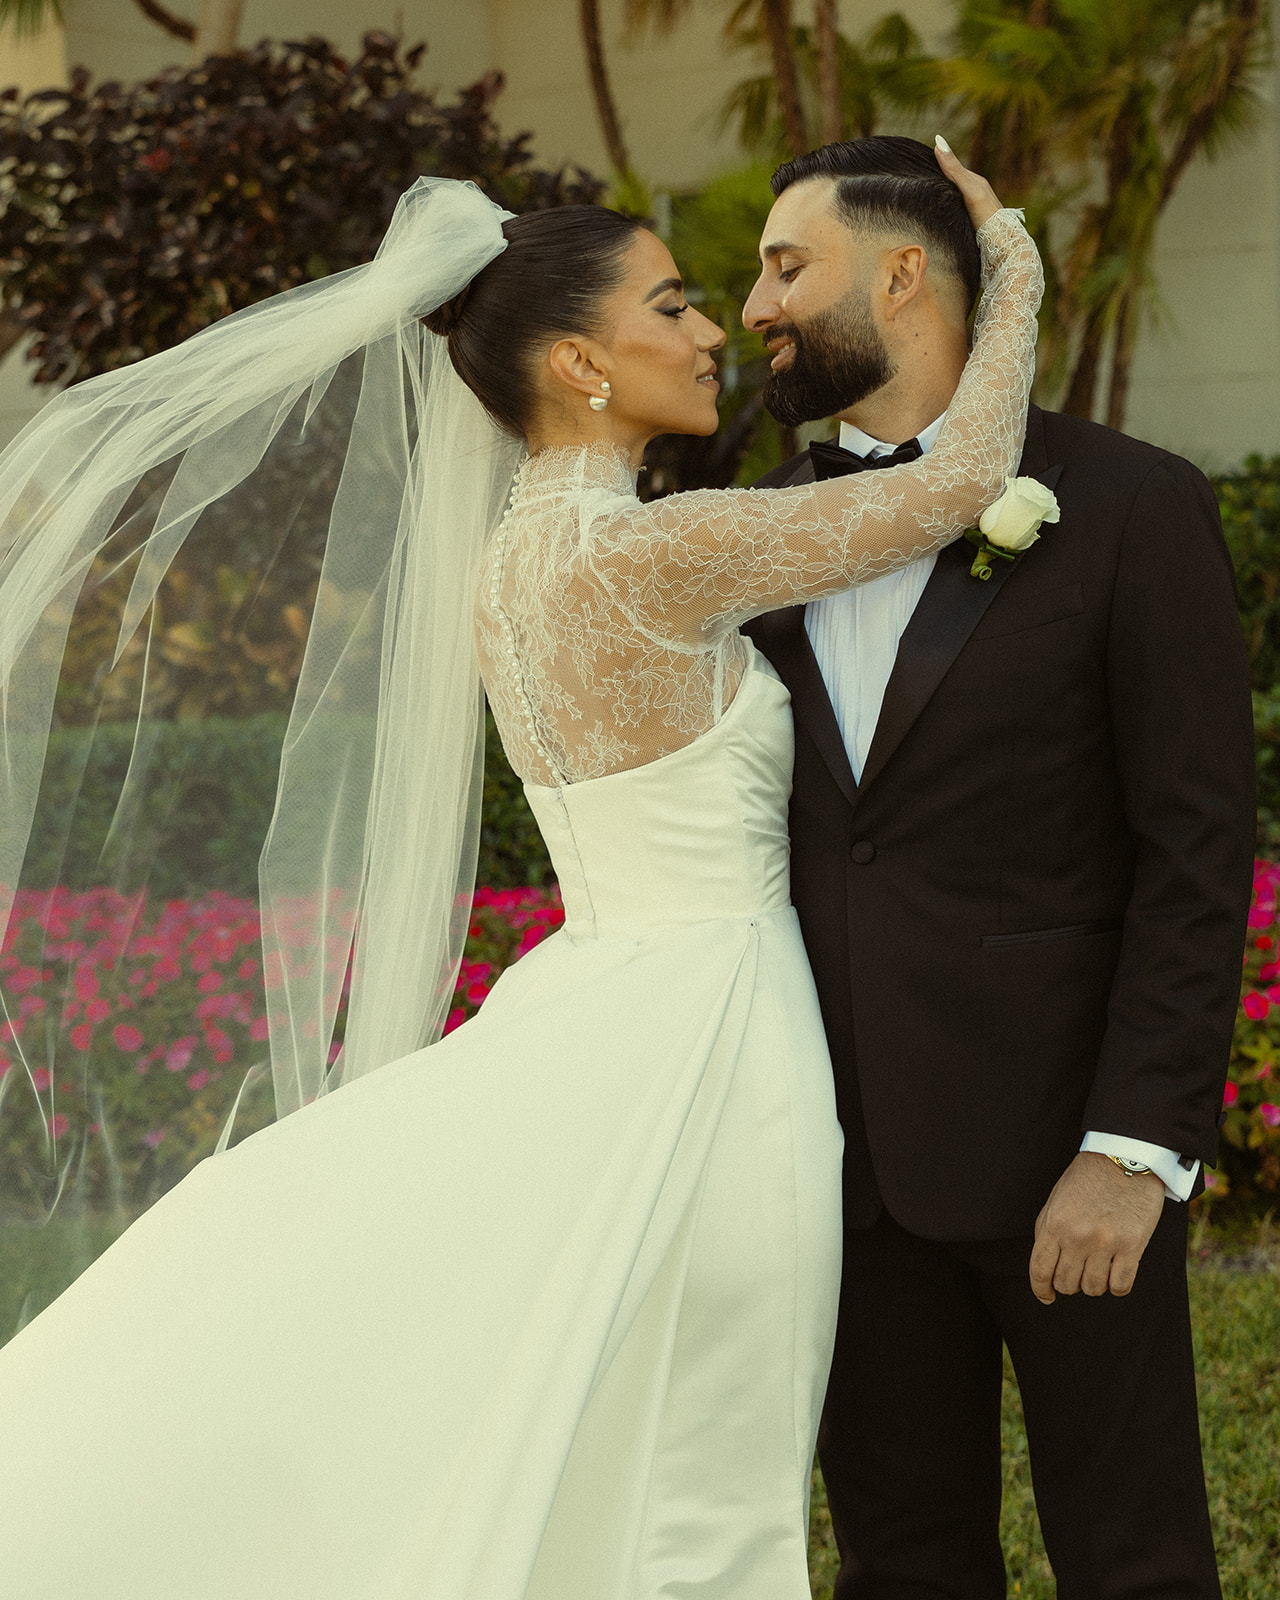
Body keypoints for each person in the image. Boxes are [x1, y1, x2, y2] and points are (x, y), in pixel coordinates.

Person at [0, 147, 1040, 1598]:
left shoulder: (511, 563)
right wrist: (1009, 253)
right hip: (716, 1046)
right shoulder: (646, 557)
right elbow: (972, 477)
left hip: (599, 1002)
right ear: (578, 362)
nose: (711, 328)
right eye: (671, 302)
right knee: (699, 1466)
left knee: (609, 1429)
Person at [742, 134, 1255, 1600]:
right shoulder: (754, 534)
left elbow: (1194, 843)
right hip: (841, 1175)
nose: (759, 303)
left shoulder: (1131, 507)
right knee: (900, 1565)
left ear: (905, 273)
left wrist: (1133, 1147)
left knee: (1135, 1560)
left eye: (789, 266)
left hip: (1064, 1166)